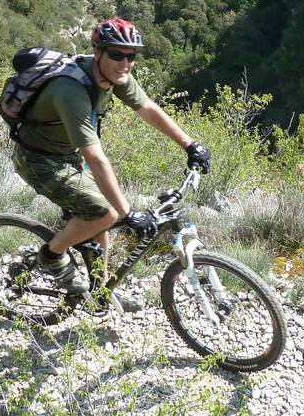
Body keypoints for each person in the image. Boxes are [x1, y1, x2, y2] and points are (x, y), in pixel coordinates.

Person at [11, 17, 211, 299]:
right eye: (117, 54)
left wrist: (190, 145)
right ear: (98, 52)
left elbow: (147, 108)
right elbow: (94, 157)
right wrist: (128, 214)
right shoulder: (71, 90)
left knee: (102, 213)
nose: (125, 63)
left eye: (131, 56)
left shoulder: (114, 76)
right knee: (106, 212)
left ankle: (100, 291)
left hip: (65, 155)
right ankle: (51, 256)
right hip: (38, 160)